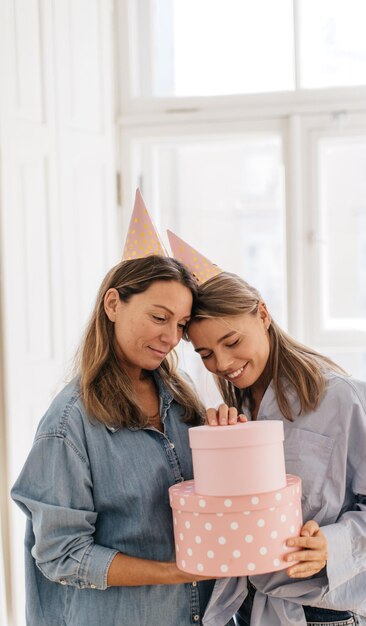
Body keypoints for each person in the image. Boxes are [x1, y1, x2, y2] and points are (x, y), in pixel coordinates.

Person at [185, 270, 366, 626]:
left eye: (231, 342)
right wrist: (221, 454)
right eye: (206, 354)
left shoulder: (344, 398)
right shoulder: (237, 412)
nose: (223, 363)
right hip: (250, 614)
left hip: (328, 616)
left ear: (262, 314)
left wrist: (331, 546)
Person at [11, 255, 221, 626]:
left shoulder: (181, 399)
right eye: (159, 318)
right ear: (113, 304)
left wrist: (228, 441)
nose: (171, 337)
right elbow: (62, 553)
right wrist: (173, 573)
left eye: (181, 325)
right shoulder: (69, 423)